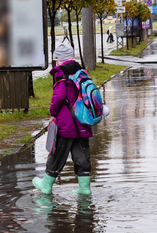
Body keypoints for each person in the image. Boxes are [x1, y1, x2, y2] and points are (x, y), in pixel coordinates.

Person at [33, 41, 104, 196]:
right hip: (83, 121)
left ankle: (46, 184)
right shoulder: (81, 73)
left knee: (57, 153)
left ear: (59, 59)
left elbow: (57, 99)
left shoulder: (62, 76)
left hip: (66, 124)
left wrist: (53, 112)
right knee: (81, 154)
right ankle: (84, 188)